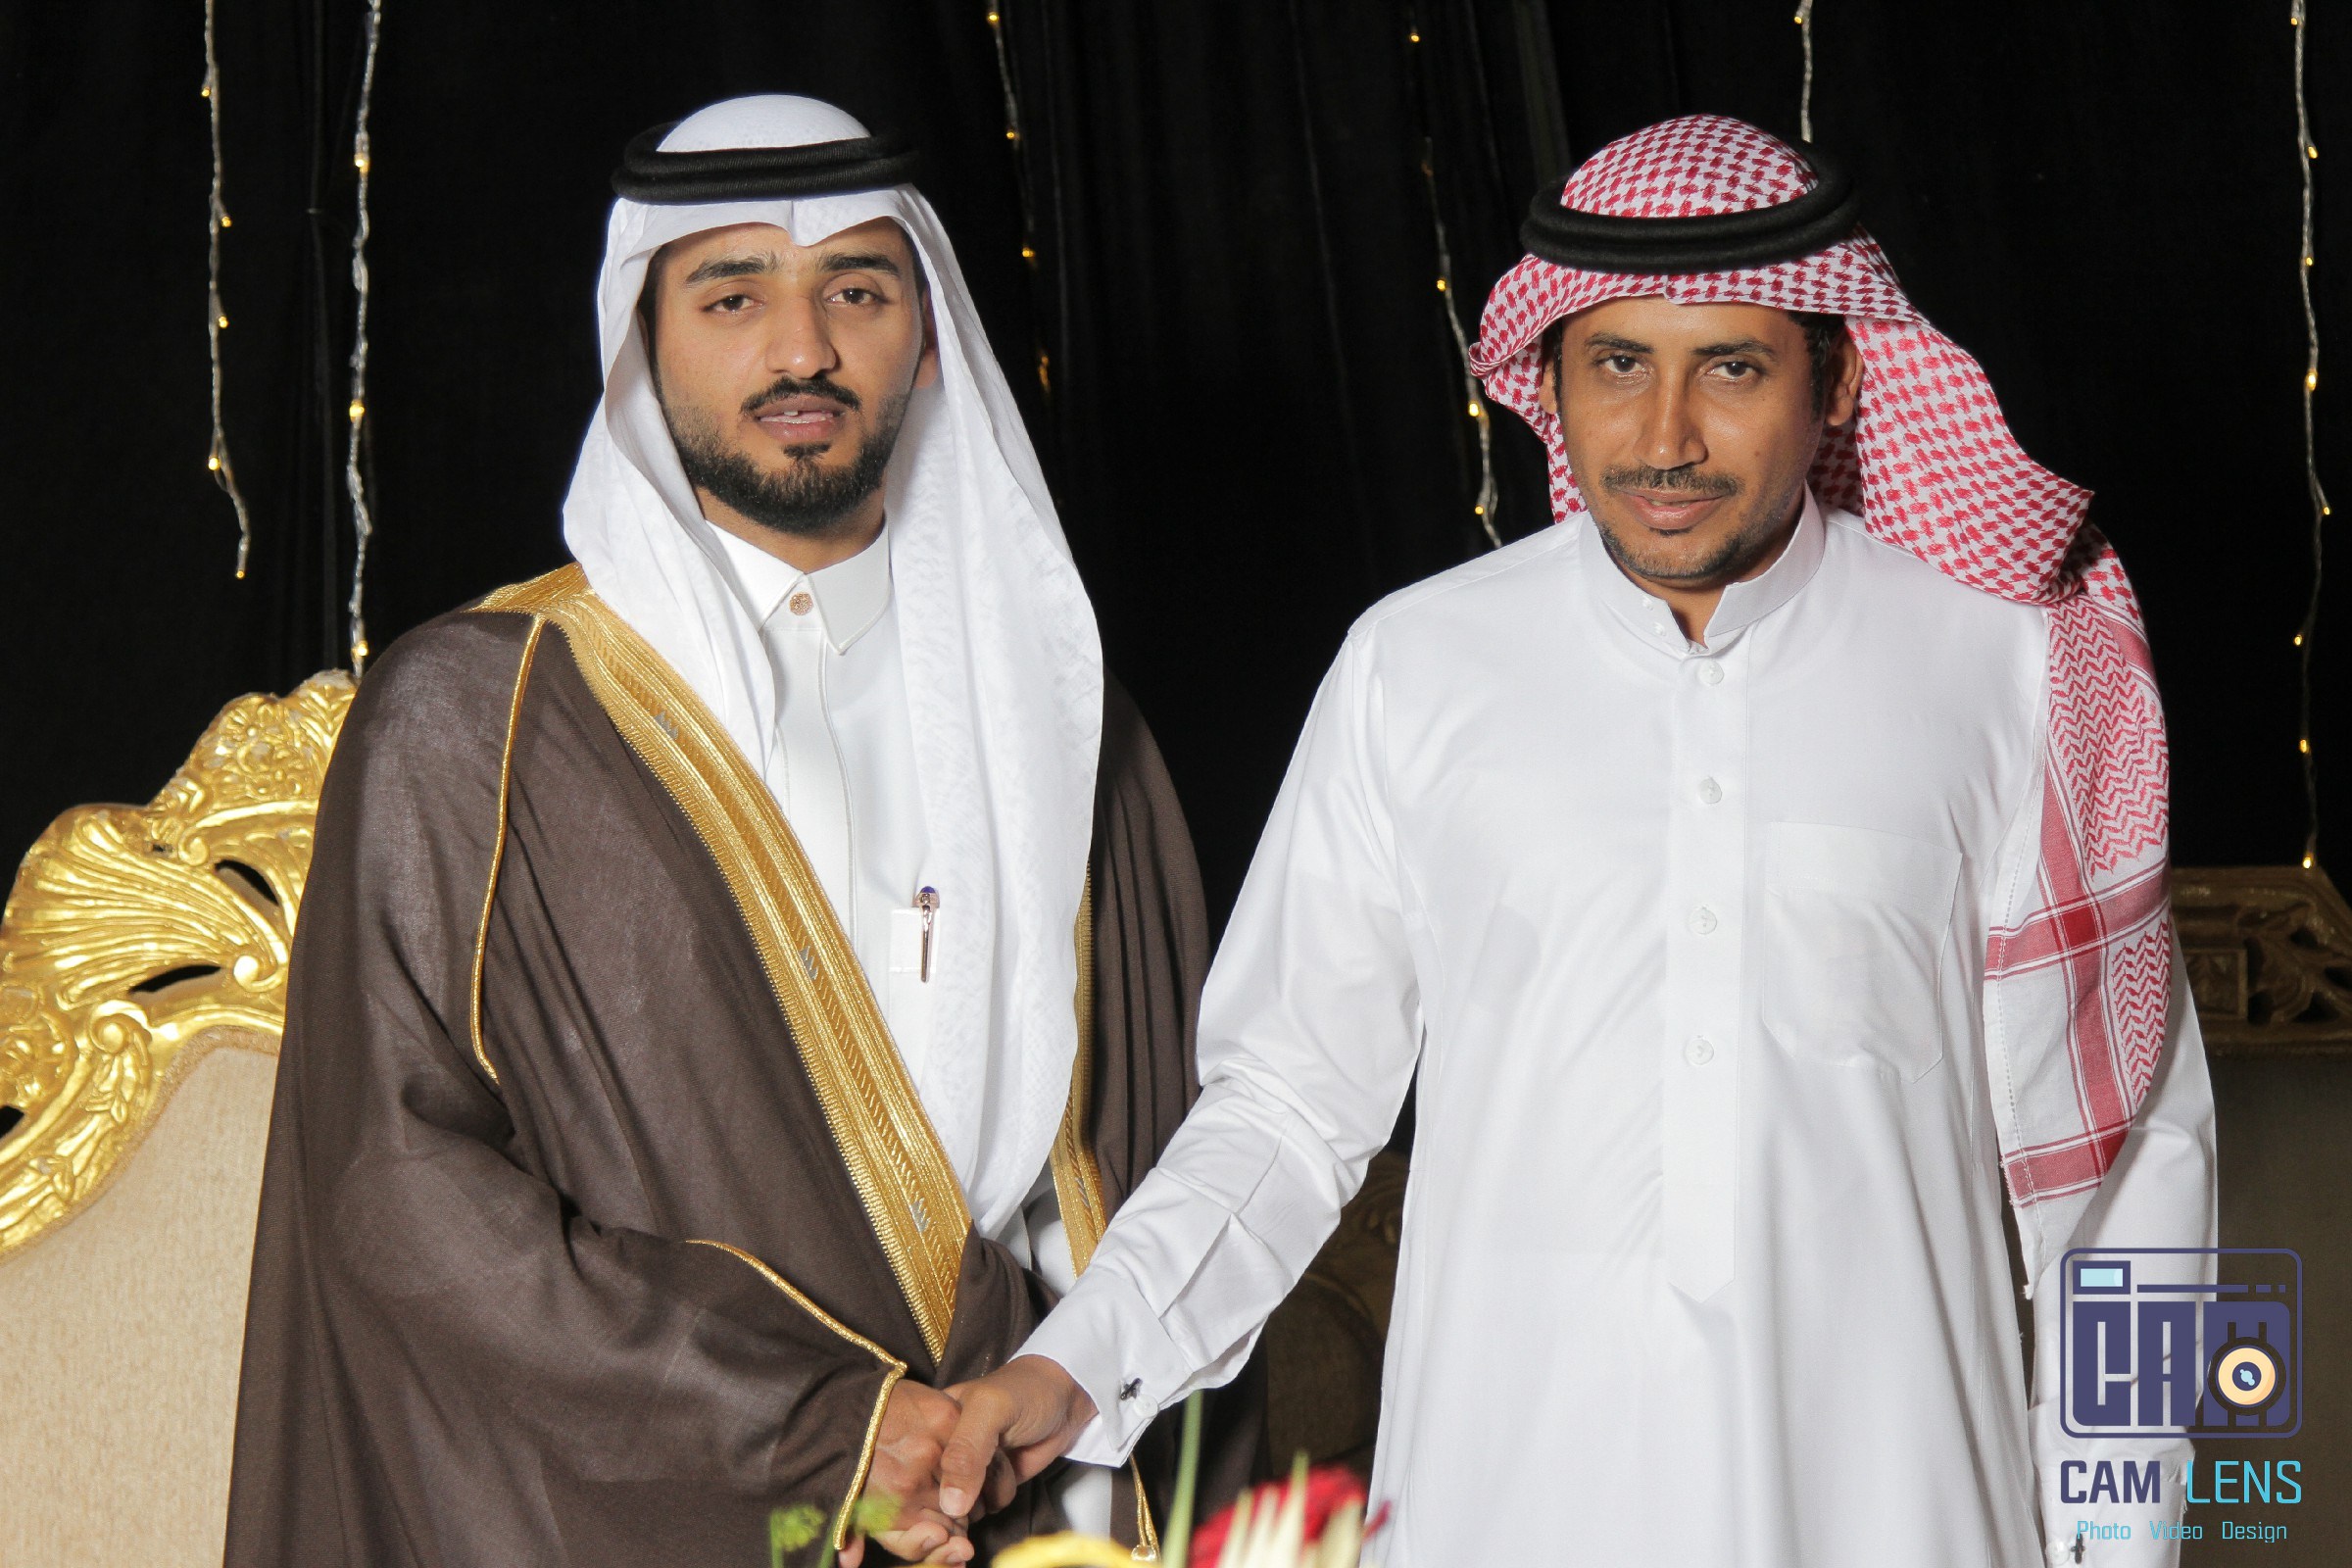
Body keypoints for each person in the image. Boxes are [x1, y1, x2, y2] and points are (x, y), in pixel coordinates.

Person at [937, 116, 2215, 1566]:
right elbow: (1286, 1108)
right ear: (1546, 378)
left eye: (1731, 369)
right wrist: (1077, 1366)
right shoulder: (1417, 667)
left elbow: (2138, 1171)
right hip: (1502, 1506)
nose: (1664, 438)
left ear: (1841, 378)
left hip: (1902, 1510)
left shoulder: (2012, 672)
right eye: (1617, 366)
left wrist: (2125, 1545)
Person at [224, 94, 1250, 1568]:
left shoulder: (1073, 720)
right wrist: (822, 1437)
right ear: (640, 338)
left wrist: (1016, 1423)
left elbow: (1173, 1157)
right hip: (647, 1507)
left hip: (1040, 1496)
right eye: (732, 296)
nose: (802, 350)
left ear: (929, 334)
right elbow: (394, 1187)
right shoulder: (481, 719)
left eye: (857, 291)